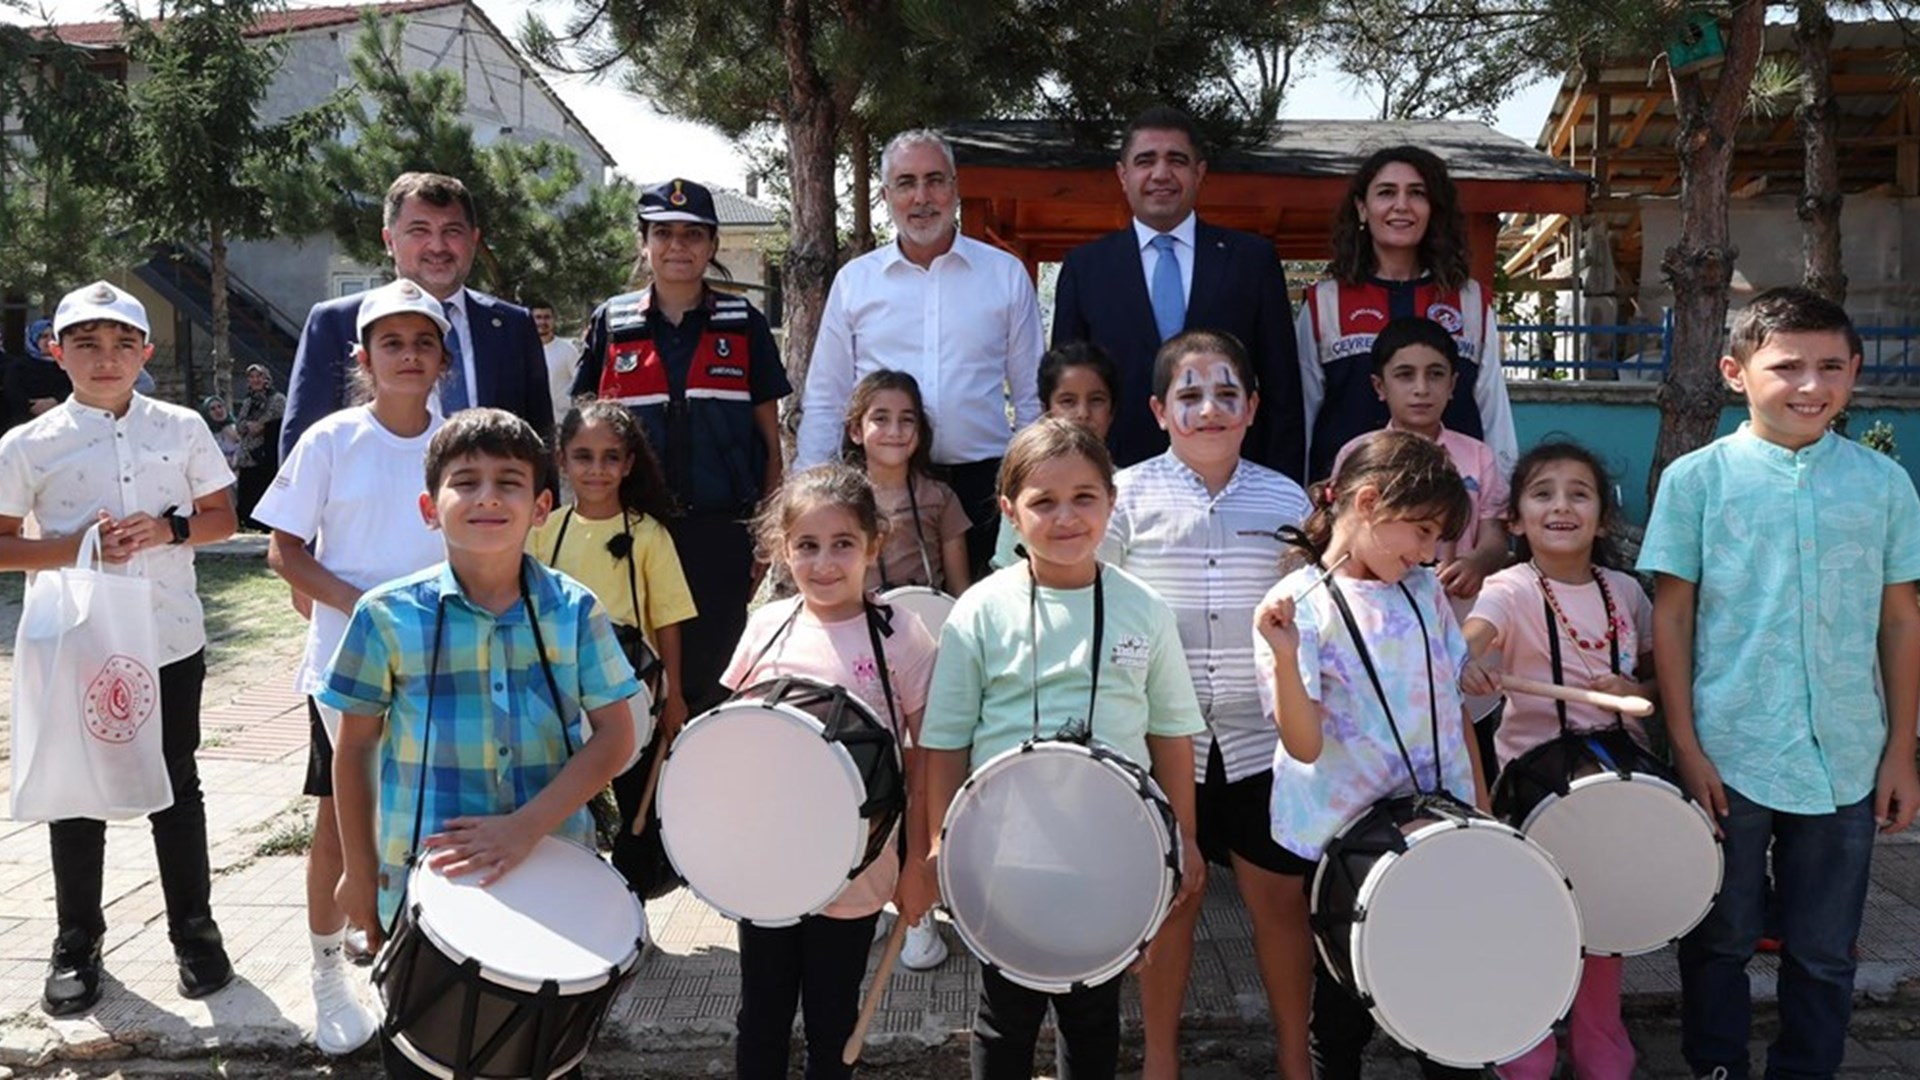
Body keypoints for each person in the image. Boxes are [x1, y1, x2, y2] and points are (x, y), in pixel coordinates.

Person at [1637, 286, 1920, 1080]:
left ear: (1855, 373)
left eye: (1830, 366)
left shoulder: (1884, 485)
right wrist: (1685, 746)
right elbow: (1674, 618)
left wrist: (1902, 752)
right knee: (1719, 937)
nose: (1809, 385)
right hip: (1729, 752)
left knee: (1825, 950)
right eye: (1786, 365)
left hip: (1847, 758)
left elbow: (1900, 620)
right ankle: (1717, 1064)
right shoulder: (1697, 480)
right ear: (1735, 372)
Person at [322, 408, 639, 1079]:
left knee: (542, 1062)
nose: (488, 496)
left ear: (542, 506)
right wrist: (359, 870)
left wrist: (526, 829)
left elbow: (615, 736)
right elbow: (351, 751)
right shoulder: (385, 615)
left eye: (509, 482)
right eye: (464, 482)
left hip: (551, 879)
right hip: (420, 891)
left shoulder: (574, 610)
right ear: (429, 508)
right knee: (422, 1058)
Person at [922, 417, 1206, 1080]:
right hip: (1003, 852)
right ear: (1009, 513)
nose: (1066, 516)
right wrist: (937, 842)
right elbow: (944, 739)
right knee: (1006, 1014)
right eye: (1043, 501)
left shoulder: (1143, 609)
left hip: (1111, 849)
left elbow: (1171, 732)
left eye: (1084, 497)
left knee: (1093, 1012)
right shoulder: (980, 612)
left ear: (1111, 502)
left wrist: (1183, 838)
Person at [0, 281, 238, 1016]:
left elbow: (222, 518)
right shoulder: (27, 443)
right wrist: (78, 547)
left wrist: (168, 530)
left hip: (169, 638)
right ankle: (77, 940)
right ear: (55, 350)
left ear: (146, 352)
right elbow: (4, 545)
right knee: (79, 790)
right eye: (86, 345)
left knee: (177, 781)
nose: (106, 360)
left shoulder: (182, 427)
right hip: (81, 640)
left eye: (121, 345)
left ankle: (194, 932)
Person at [1101, 330, 1311, 1080]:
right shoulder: (1124, 495)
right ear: (1159, 410)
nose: (1210, 408)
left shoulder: (1286, 497)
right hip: (1165, 745)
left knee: (1281, 907)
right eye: (1189, 395)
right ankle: (1160, 1062)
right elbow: (1102, 604)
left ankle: (1296, 1061)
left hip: (1262, 743)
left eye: (1228, 393)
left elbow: (1306, 608)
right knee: (1172, 905)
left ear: (1253, 407)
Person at [251, 279, 453, 1056]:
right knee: (342, 825)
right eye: (392, 344)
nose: (408, 356)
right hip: (347, 671)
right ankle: (328, 970)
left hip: (444, 667)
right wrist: (360, 607)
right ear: (365, 357)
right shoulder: (330, 440)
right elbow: (284, 549)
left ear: (442, 358)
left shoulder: (457, 442)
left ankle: (418, 959)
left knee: (432, 817)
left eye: (423, 343)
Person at [1251, 429, 1487, 1080]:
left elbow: (1452, 703)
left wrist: (1484, 814)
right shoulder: (1296, 608)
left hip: (1438, 826)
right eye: (1420, 530)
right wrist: (1285, 656)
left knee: (1446, 996)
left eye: (1437, 537)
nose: (1427, 551)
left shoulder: (1423, 590)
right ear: (1367, 501)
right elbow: (1302, 744)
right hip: (1350, 844)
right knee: (1345, 1005)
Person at [726, 464, 940, 1080]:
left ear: (875, 544)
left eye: (842, 543)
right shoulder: (766, 627)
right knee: (760, 1014)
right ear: (781, 549)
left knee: (832, 1017)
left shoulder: (903, 636)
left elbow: (925, 758)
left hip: (859, 865)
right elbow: (730, 744)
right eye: (807, 546)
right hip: (768, 861)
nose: (824, 563)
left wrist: (919, 860)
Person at [1458, 441, 1653, 1080]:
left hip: (1618, 784)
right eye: (1542, 493)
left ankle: (1601, 1037)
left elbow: (1659, 678)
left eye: (1579, 493)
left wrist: (1640, 693)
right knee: (1536, 916)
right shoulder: (1508, 588)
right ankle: (1528, 1038)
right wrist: (1470, 663)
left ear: (1602, 517)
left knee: (1604, 915)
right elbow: (1470, 643)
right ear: (1514, 519)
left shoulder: (1624, 591)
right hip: (1535, 787)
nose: (1561, 506)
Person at [572, 178, 791, 714]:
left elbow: (770, 439)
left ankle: (700, 791)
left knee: (711, 677)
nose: (678, 246)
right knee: (631, 675)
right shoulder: (612, 323)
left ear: (712, 245)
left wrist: (765, 534)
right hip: (633, 529)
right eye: (663, 233)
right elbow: (585, 433)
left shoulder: (744, 325)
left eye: (693, 234)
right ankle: (636, 788)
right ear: (643, 242)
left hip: (719, 534)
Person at [796, 129, 1043, 578]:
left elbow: (1031, 397)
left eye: (935, 180)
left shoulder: (1004, 275)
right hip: (880, 486)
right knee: (882, 626)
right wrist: (808, 492)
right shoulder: (855, 282)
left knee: (981, 624)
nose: (922, 196)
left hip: (983, 488)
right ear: (887, 194)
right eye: (907, 183)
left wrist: (1031, 483)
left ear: (955, 187)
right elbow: (827, 396)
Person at [1052, 105, 1303, 480]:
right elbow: (1067, 388)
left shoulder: (1251, 261)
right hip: (1117, 481)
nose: (1161, 174)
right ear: (1123, 175)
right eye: (1145, 160)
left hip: (1234, 481)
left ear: (1199, 173)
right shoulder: (1085, 268)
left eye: (1177, 160)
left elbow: (1283, 390)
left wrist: (1282, 488)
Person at [528, 399, 696, 895]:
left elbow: (668, 618)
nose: (596, 469)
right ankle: (565, 900)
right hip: (556, 694)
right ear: (561, 460)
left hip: (633, 697)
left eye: (609, 457)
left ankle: (634, 908)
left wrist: (675, 695)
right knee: (561, 799)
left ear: (627, 463)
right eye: (583, 456)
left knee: (636, 806)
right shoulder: (543, 531)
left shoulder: (648, 534)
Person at [281, 172, 554, 460]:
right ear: (389, 240)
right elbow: (301, 447)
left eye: (452, 231)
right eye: (419, 230)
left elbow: (539, 442)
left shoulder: (513, 326)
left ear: (474, 239)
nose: (437, 246)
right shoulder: (337, 323)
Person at [1297, 145, 1517, 484]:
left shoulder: (1470, 300)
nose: (1401, 205)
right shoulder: (1324, 303)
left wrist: (1503, 507)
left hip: (1453, 506)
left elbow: (1494, 415)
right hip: (1353, 505)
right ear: (1361, 208)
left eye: (1417, 193)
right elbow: (1304, 416)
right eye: (1386, 192)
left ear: (1434, 209)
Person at [989, 342, 1118, 572]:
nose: (1082, 413)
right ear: (1046, 409)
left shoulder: (1131, 485)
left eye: (1096, 400)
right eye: (1068, 401)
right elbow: (1006, 568)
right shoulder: (1025, 483)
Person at [842, 369, 972, 597]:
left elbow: (959, 589)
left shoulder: (939, 498)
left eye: (907, 420)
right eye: (880, 419)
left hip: (927, 625)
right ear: (856, 431)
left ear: (920, 431)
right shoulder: (838, 500)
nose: (895, 431)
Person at [232, 364, 285, 526]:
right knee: (247, 491)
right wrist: (249, 426)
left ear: (266, 378)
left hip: (265, 454)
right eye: (252, 377)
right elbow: (239, 425)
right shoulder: (248, 401)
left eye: (259, 376)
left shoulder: (277, 399)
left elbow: (272, 419)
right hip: (248, 455)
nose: (256, 380)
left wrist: (258, 425)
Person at [6, 317, 71, 429]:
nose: (49, 341)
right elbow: (12, 394)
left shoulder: (67, 365)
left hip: (63, 423)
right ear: (34, 339)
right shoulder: (18, 367)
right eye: (44, 336)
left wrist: (55, 401)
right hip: (26, 425)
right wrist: (32, 407)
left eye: (53, 337)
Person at [529, 298, 580, 431]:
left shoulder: (567, 350)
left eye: (547, 317)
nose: (542, 322)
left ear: (553, 320)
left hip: (563, 424)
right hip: (533, 423)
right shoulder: (523, 351)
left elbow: (580, 385)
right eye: (538, 317)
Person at [201, 396, 240, 469]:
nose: (218, 411)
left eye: (220, 406)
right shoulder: (204, 434)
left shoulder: (237, 427)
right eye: (213, 409)